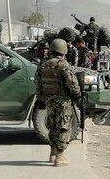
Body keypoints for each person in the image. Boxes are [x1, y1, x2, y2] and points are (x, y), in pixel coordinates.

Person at [34, 39, 81, 167]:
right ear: (63, 51)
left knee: (52, 126)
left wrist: (41, 98)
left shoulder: (43, 64)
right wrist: (77, 95)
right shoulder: (63, 65)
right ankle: (60, 157)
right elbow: (72, 83)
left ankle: (52, 154)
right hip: (62, 101)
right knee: (63, 127)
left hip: (49, 100)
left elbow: (37, 84)